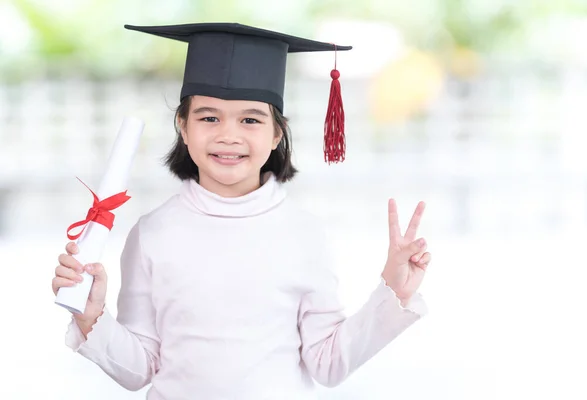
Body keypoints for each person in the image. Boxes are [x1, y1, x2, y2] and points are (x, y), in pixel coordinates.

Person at [52, 22, 432, 399]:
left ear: (277, 134)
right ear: (183, 127)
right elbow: (140, 369)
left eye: (250, 119)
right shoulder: (153, 233)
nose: (228, 135)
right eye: (209, 117)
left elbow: (328, 363)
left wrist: (393, 290)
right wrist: (91, 316)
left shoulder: (303, 233)